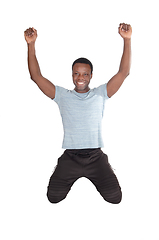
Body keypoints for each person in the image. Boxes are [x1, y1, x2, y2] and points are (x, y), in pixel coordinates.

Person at [24, 23, 132, 204]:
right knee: (53, 198)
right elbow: (36, 76)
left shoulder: (100, 94)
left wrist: (127, 40)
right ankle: (62, 168)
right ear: (72, 75)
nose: (80, 78)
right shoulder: (62, 96)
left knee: (115, 199)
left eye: (84, 74)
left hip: (96, 157)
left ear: (91, 75)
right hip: (71, 157)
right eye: (76, 73)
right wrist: (31, 45)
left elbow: (123, 72)